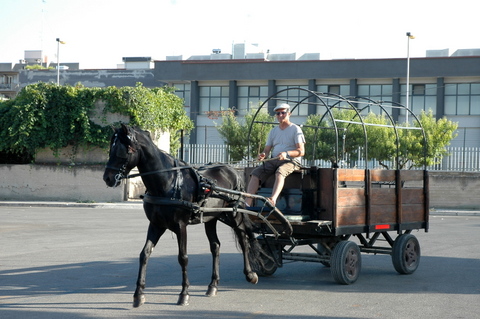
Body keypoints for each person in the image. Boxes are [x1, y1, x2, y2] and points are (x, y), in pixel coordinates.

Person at [245, 103, 305, 207]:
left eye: (283, 113)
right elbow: (267, 150)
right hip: (274, 160)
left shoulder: (295, 129)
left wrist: (287, 154)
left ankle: (273, 199)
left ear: (289, 114)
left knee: (280, 172)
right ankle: (246, 203)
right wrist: (263, 155)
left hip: (291, 161)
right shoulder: (273, 131)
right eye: (278, 113)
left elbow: (301, 151)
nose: (280, 115)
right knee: (255, 173)